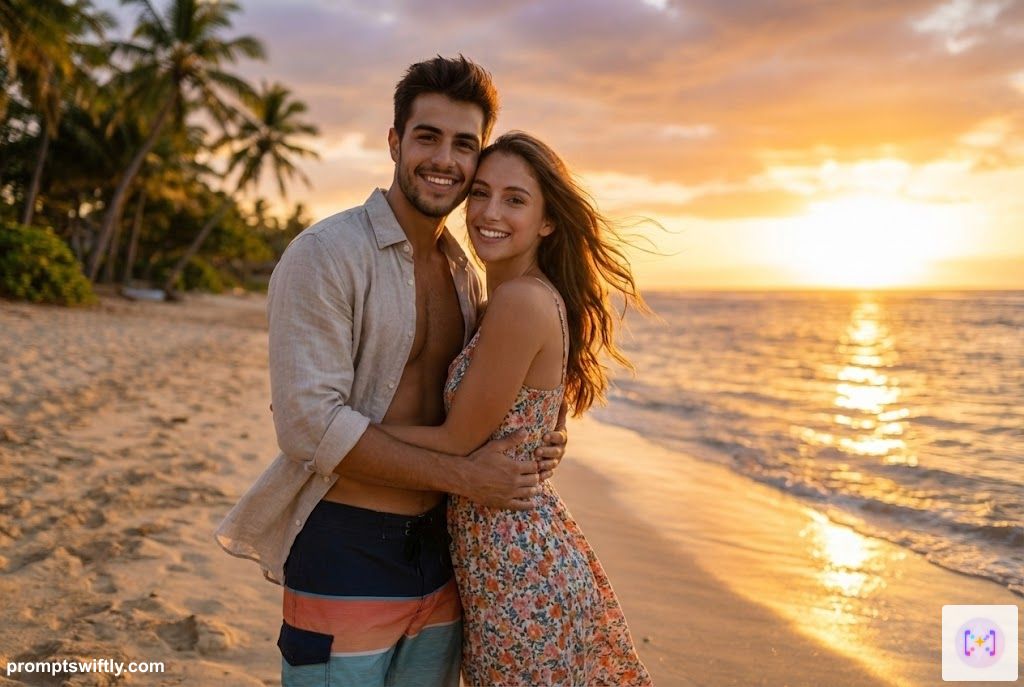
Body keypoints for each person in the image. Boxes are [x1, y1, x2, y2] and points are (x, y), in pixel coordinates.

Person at [214, 56, 568, 687]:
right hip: (347, 546)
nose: (445, 159)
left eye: (465, 144)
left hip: (446, 559)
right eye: (427, 136)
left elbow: (485, 399)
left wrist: (539, 437)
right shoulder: (325, 255)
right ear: (394, 140)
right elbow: (308, 430)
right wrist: (468, 474)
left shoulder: (465, 271)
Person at [379, 131, 653, 686]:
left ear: (547, 221)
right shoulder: (513, 296)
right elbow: (539, 419)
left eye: (515, 199)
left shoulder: (520, 301)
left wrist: (340, 429)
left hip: (521, 574)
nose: (488, 212)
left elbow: (458, 442)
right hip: (512, 562)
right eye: (480, 193)